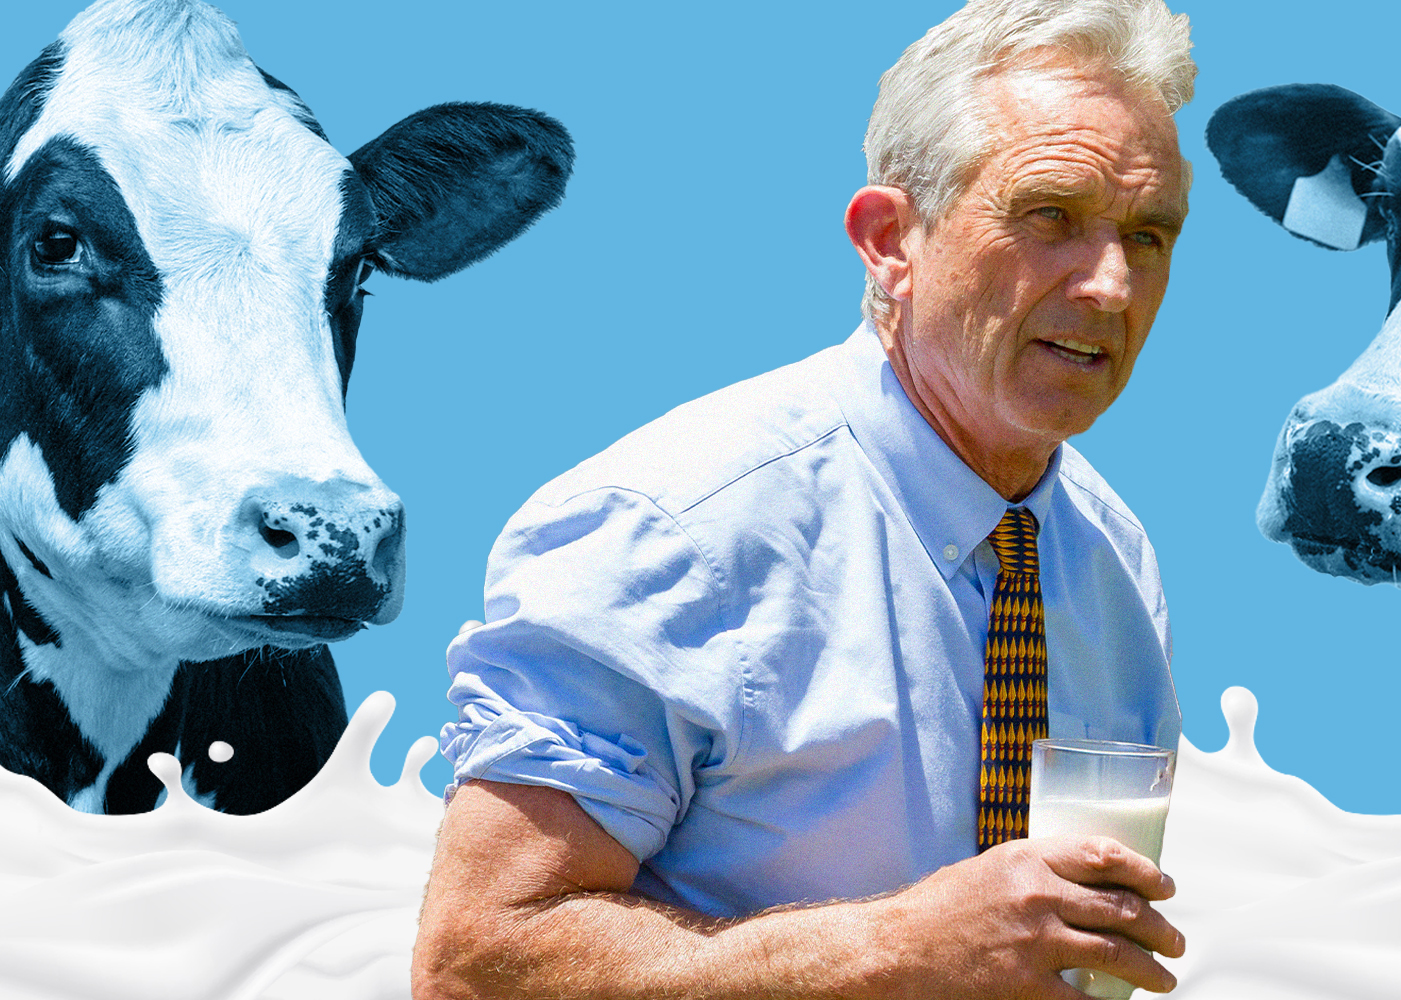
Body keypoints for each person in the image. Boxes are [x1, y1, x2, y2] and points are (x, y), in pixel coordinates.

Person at [411, 1, 1195, 996]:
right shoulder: (673, 528)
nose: (1111, 285)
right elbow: (476, 963)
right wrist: (891, 950)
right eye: (1049, 217)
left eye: (1148, 234)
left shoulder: (1113, 563)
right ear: (887, 239)